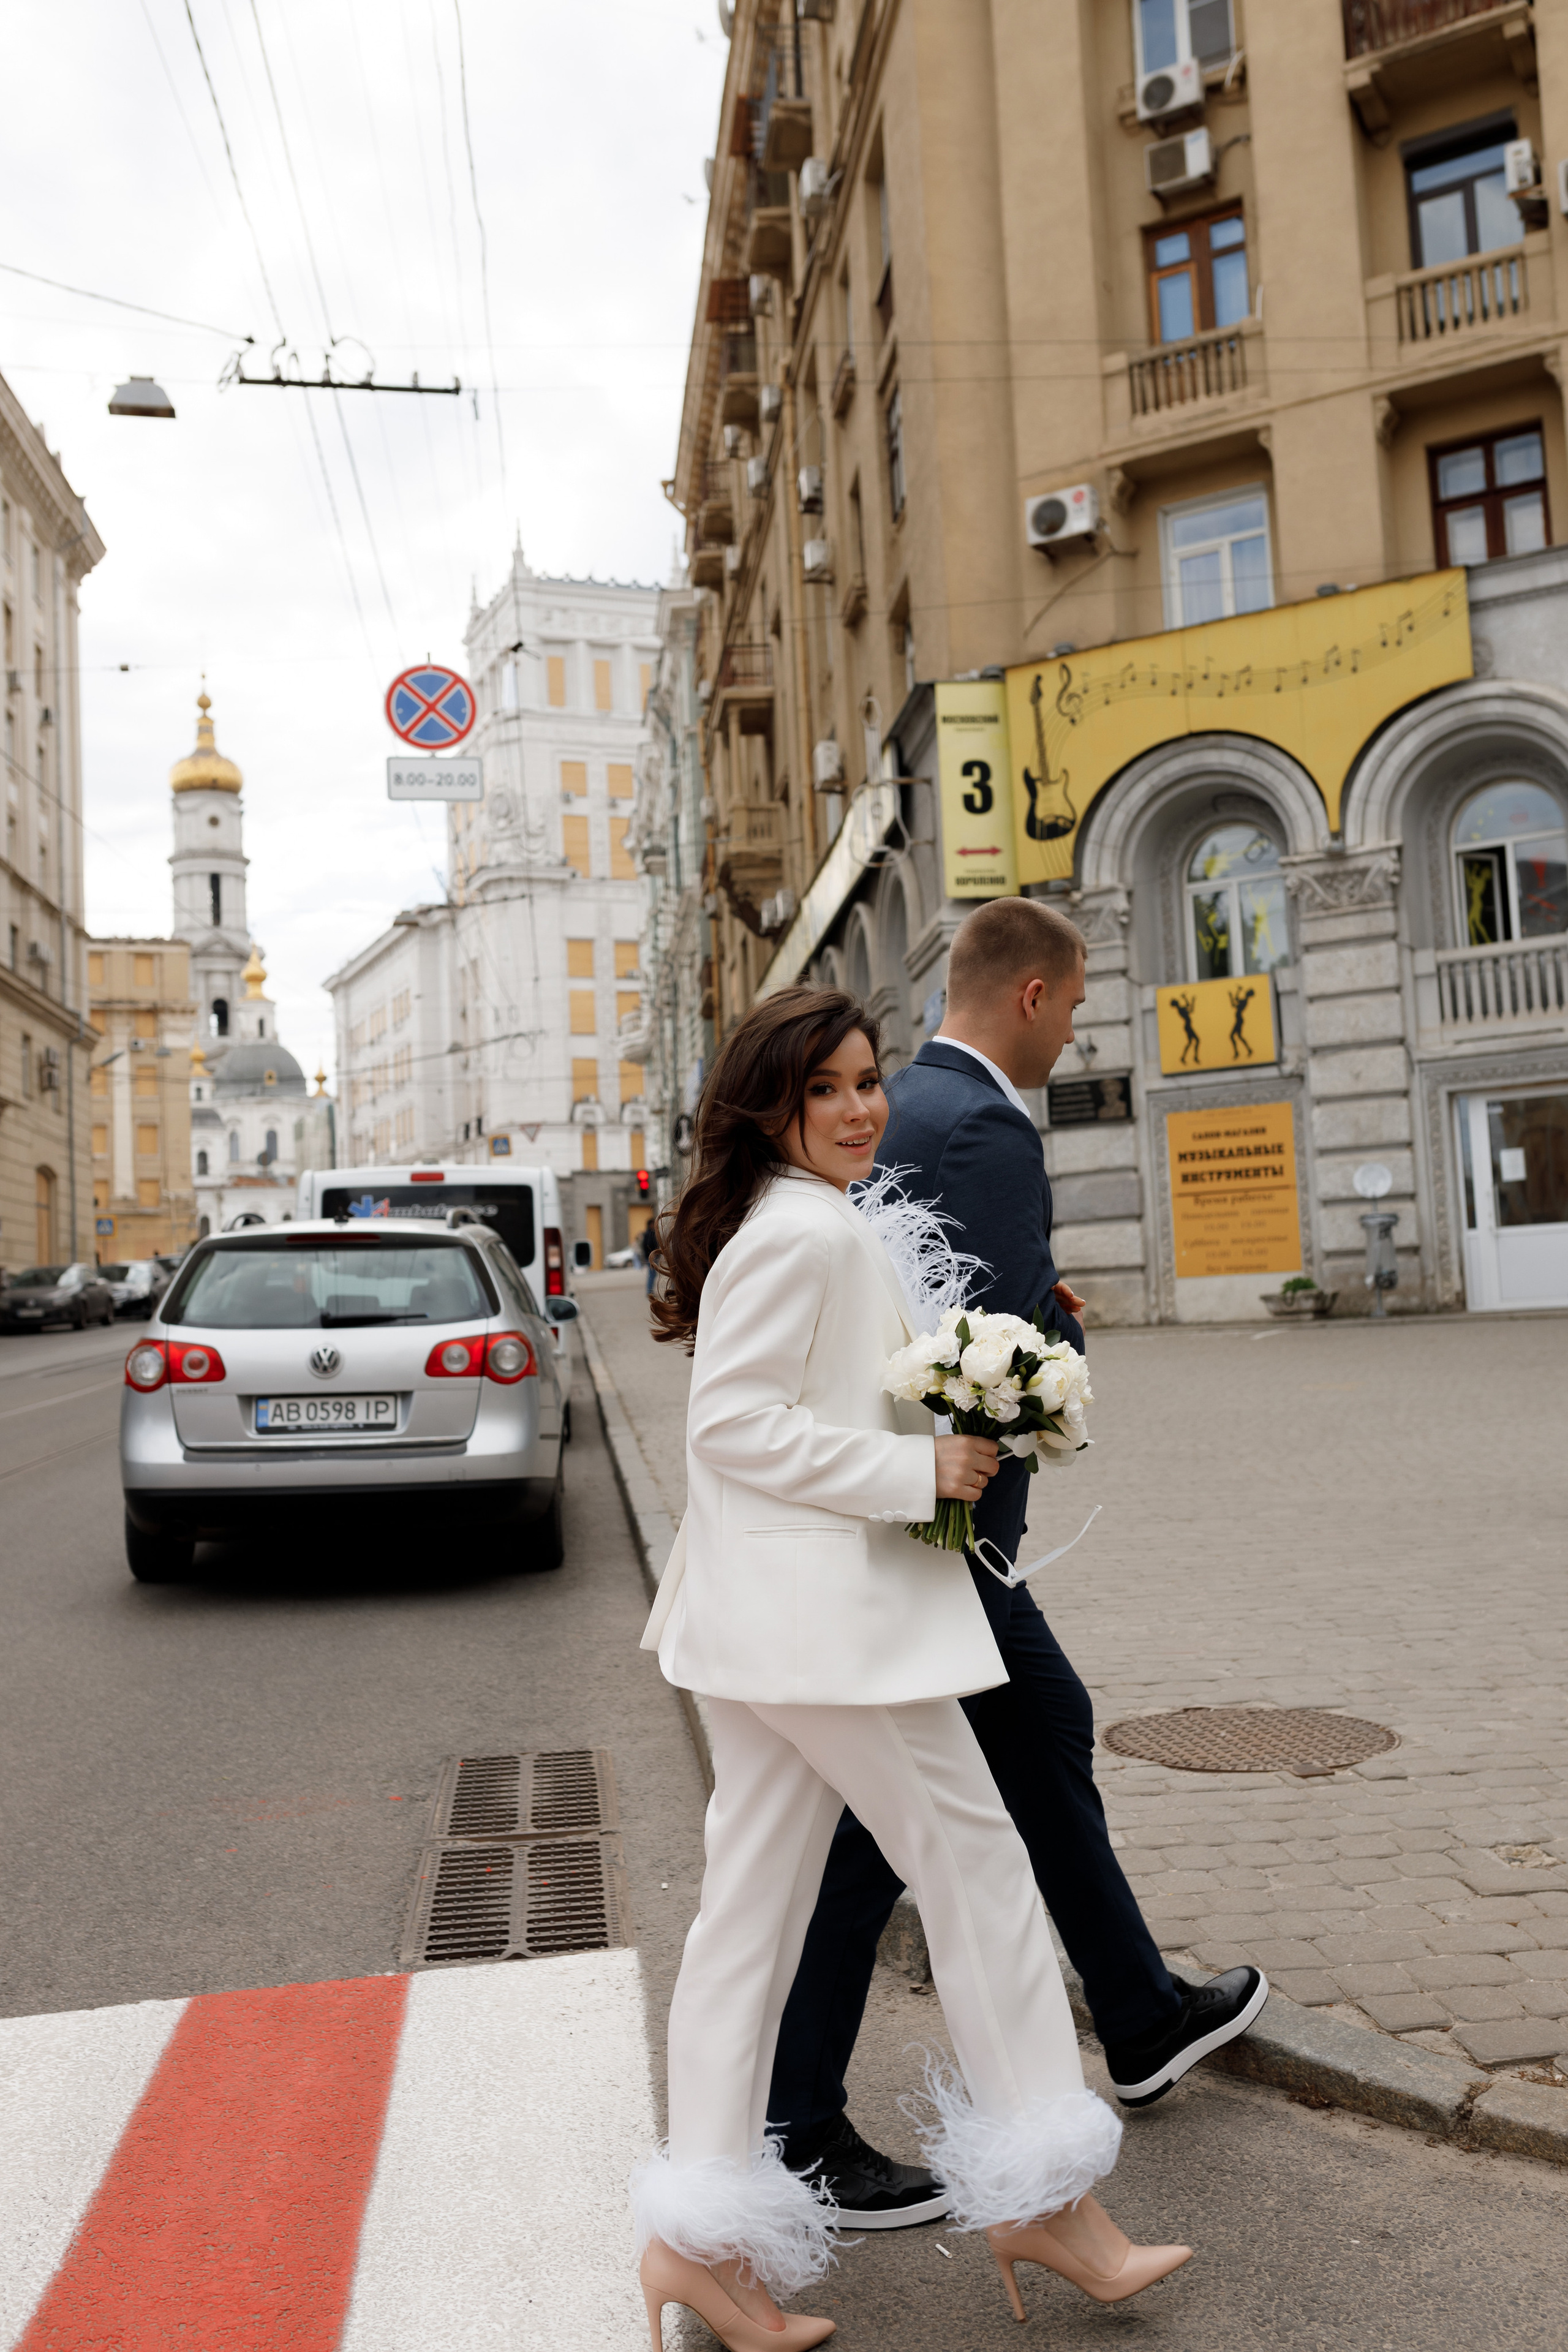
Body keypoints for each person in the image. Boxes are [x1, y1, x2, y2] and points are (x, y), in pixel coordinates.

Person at [631, 985, 1191, 2351]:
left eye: (868, 1081)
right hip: (822, 1632)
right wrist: (914, 1466)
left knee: (748, 1919)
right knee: (979, 1869)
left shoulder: (806, 1222)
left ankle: (694, 2245)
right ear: (770, 1106)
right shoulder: (800, 1232)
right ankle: (1044, 2196)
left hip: (772, 1624)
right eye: (824, 1088)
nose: (860, 1107)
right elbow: (731, 1427)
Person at [765, 900, 1267, 2228]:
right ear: (1035, 996)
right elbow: (977, 1355)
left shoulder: (915, 1111)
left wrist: (1036, 1308)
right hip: (943, 1530)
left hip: (921, 1527)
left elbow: (944, 1300)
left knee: (1036, 1735)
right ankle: (795, 2125)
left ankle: (1141, 2015)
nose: (1077, 1024)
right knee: (890, 1828)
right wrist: (1009, 1429)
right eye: (1081, 1001)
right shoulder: (979, 1121)